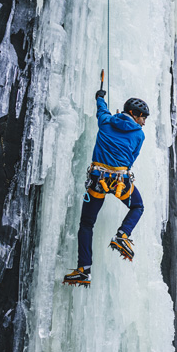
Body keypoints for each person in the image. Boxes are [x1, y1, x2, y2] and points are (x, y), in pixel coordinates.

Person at [63, 90, 149, 287]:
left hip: (97, 180)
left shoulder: (106, 121)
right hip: (120, 181)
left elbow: (101, 109)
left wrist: (100, 96)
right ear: (134, 114)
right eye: (142, 117)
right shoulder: (138, 135)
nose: (143, 122)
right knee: (137, 207)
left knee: (86, 224)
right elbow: (131, 159)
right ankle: (122, 235)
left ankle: (83, 270)